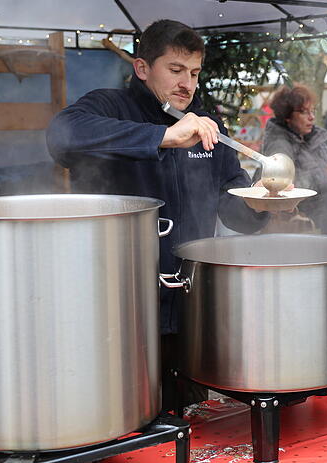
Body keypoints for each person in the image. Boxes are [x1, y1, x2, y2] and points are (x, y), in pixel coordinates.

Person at [47, 19, 268, 335]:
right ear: (142, 68)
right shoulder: (110, 106)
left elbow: (232, 208)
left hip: (193, 304)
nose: (187, 84)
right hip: (120, 305)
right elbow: (60, 136)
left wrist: (257, 204)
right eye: (176, 70)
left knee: (190, 384)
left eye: (194, 73)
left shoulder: (207, 125)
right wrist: (163, 135)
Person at [262, 83, 327, 234]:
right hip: (297, 233)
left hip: (323, 226)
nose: (311, 117)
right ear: (287, 116)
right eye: (304, 112)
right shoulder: (279, 145)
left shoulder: (316, 138)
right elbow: (281, 189)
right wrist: (326, 173)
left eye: (313, 111)